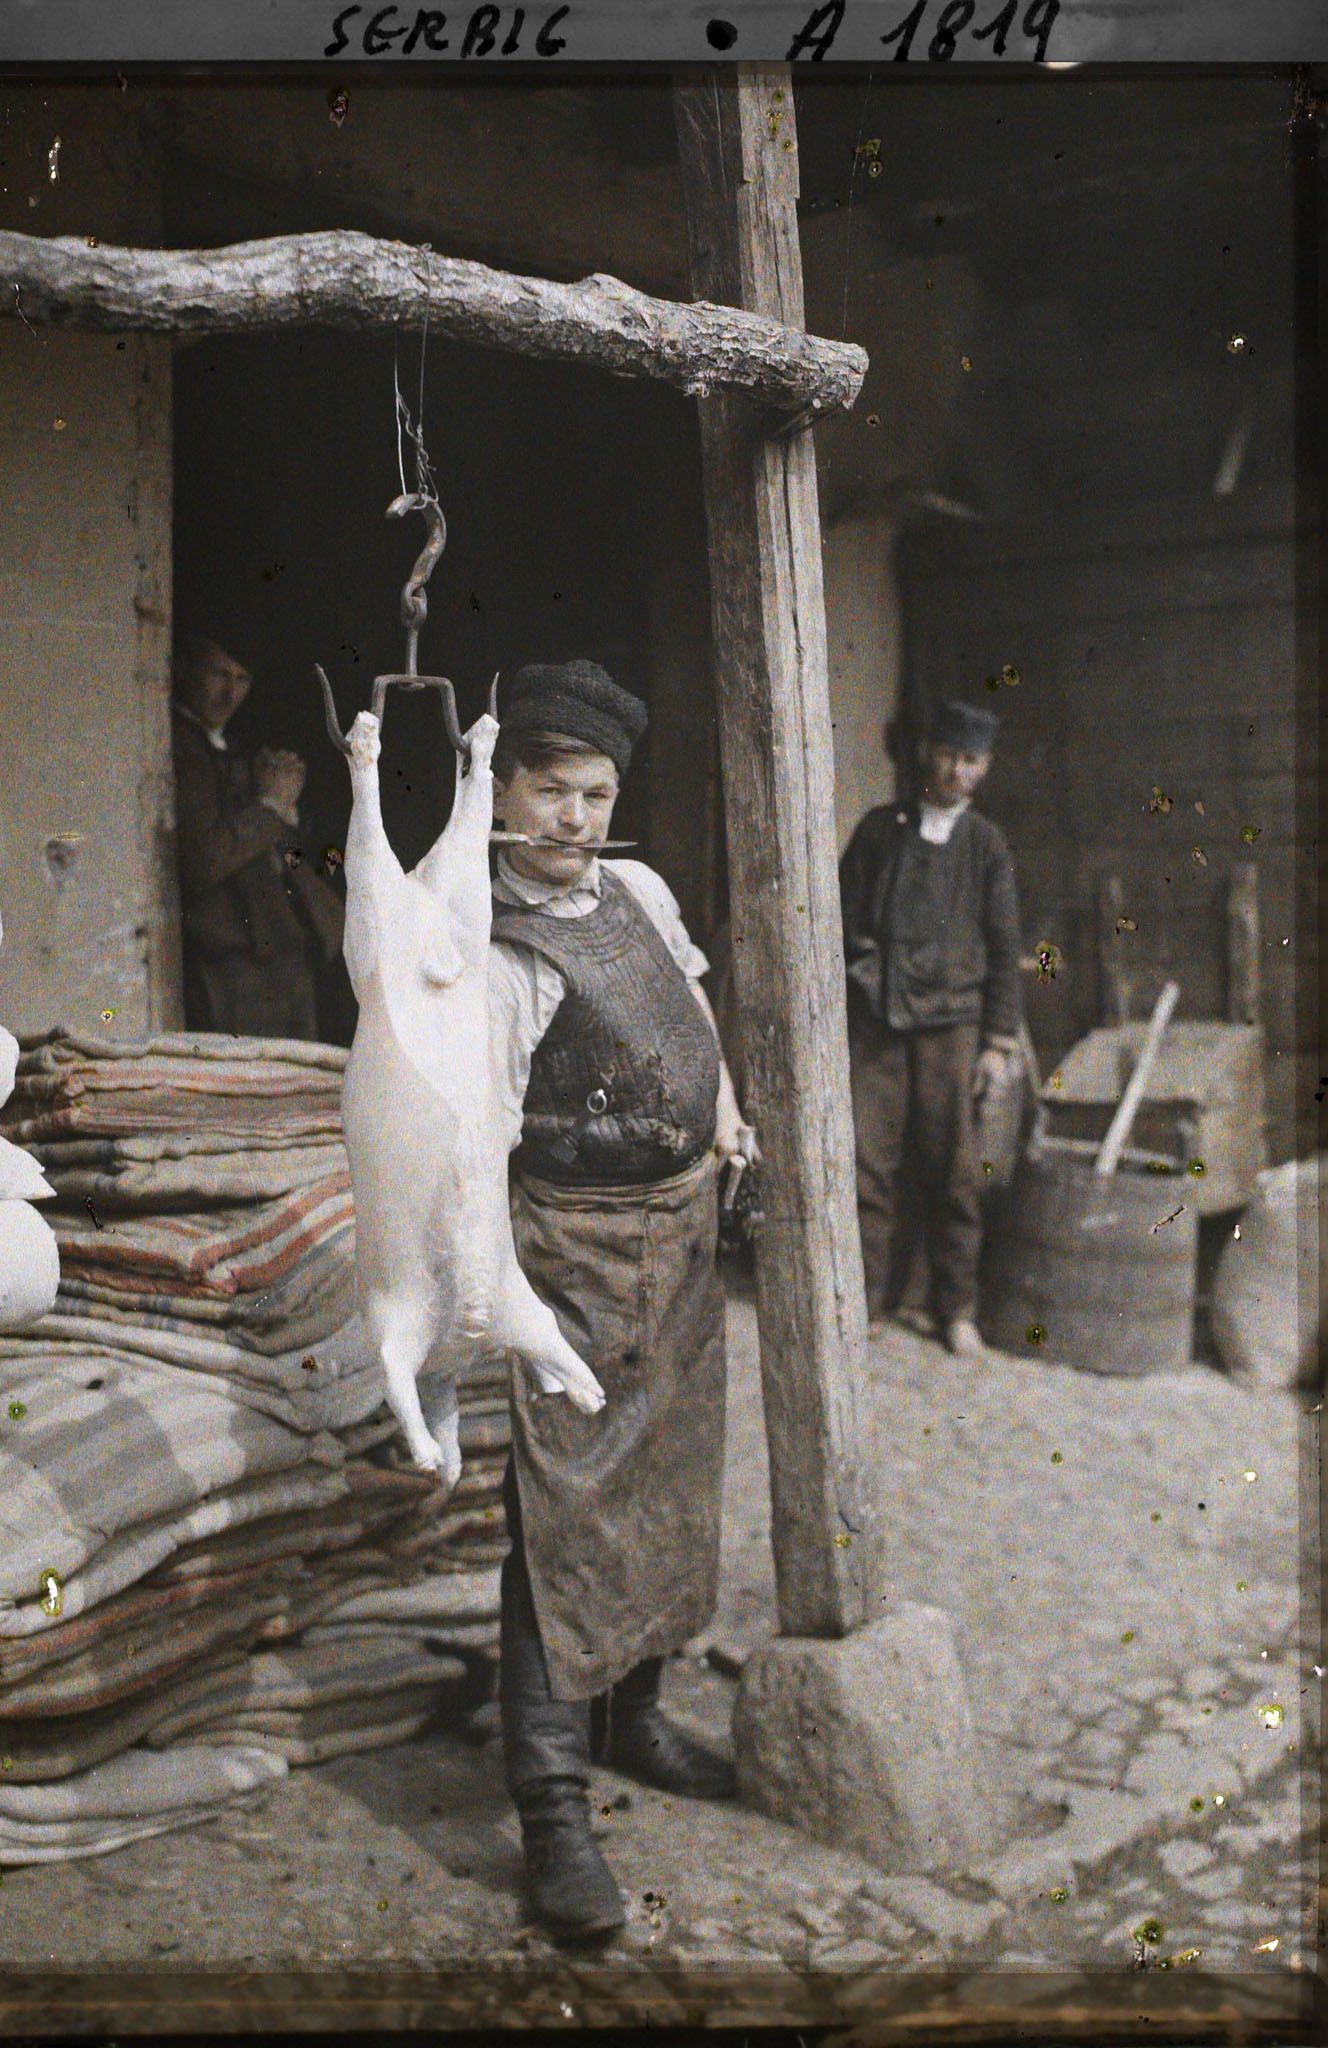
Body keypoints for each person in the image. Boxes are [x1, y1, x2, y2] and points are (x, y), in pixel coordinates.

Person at [487, 659, 759, 1942]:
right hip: (571, 1251)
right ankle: (548, 1804)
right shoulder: (489, 946)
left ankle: (636, 1714)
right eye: (551, 791)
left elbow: (688, 1009)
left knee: (671, 1476)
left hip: (686, 1235)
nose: (575, 819)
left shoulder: (638, 890)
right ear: (500, 787)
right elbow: (471, 1137)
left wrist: (728, 1113)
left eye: (594, 794)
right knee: (565, 1510)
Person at [839, 696, 1023, 1359]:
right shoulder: (878, 831)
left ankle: (955, 1310)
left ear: (984, 769)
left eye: (968, 760)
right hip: (879, 1026)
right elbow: (842, 923)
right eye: (945, 754)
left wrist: (997, 1043)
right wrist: (864, 975)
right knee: (865, 1167)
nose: (954, 770)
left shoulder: (985, 847)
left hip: (952, 1030)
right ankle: (863, 1304)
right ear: (925, 755)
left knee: (953, 1172)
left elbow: (1004, 951)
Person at [170, 632, 344, 1039]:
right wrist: (269, 807)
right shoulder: (179, 746)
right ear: (185, 670)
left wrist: (285, 809)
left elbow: (297, 856)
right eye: (218, 674)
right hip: (231, 963)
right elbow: (205, 860)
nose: (230, 693)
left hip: (282, 954)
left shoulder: (236, 748)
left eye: (242, 679)